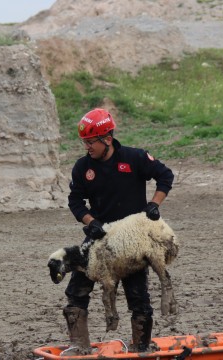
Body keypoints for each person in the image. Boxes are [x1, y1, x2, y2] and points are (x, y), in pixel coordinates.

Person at [63, 108, 175, 353]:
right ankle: (78, 346)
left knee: (138, 296)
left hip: (131, 242)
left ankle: (141, 346)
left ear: (108, 139)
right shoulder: (82, 167)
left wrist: (154, 206)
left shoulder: (135, 158)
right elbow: (75, 201)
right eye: (84, 142)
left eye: (91, 142)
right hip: (99, 237)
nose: (86, 147)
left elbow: (165, 176)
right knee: (76, 291)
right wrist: (90, 222)